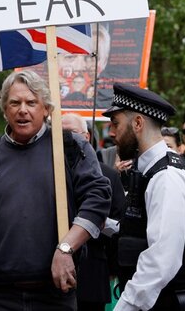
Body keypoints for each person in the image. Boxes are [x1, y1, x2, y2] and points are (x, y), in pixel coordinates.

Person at [0, 70, 111, 310]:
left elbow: (98, 200)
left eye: (31, 102)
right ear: (5, 110)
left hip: (55, 294)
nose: (22, 109)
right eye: (14, 103)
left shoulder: (70, 147)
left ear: (46, 109)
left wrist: (66, 248)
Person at [102, 83, 185, 311]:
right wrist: (100, 224)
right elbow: (141, 233)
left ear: (138, 123)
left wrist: (124, 307)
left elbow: (160, 261)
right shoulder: (151, 172)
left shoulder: (167, 178)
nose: (111, 133)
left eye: (116, 124)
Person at [62, 112, 125, 311]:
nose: (65, 138)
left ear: (86, 136)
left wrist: (96, 220)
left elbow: (121, 227)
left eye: (71, 133)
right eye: (59, 133)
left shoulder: (108, 175)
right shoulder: (44, 172)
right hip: (49, 278)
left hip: (92, 274)